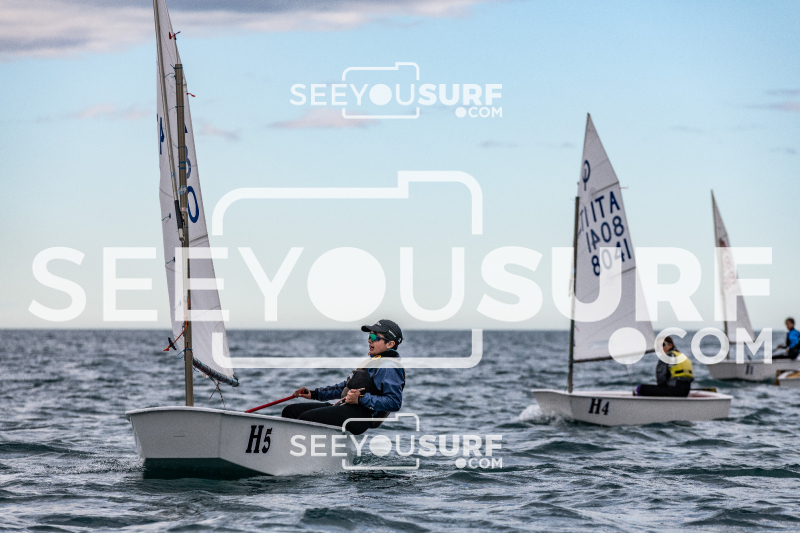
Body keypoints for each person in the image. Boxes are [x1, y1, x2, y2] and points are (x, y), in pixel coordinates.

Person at [282, 319, 405, 435]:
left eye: (374, 337)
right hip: (346, 408)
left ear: (390, 344)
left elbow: (394, 402)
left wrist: (360, 399)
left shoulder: (389, 367)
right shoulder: (373, 362)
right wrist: (314, 394)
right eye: (369, 336)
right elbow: (345, 388)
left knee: (305, 418)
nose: (369, 340)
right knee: (290, 411)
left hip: (360, 416)